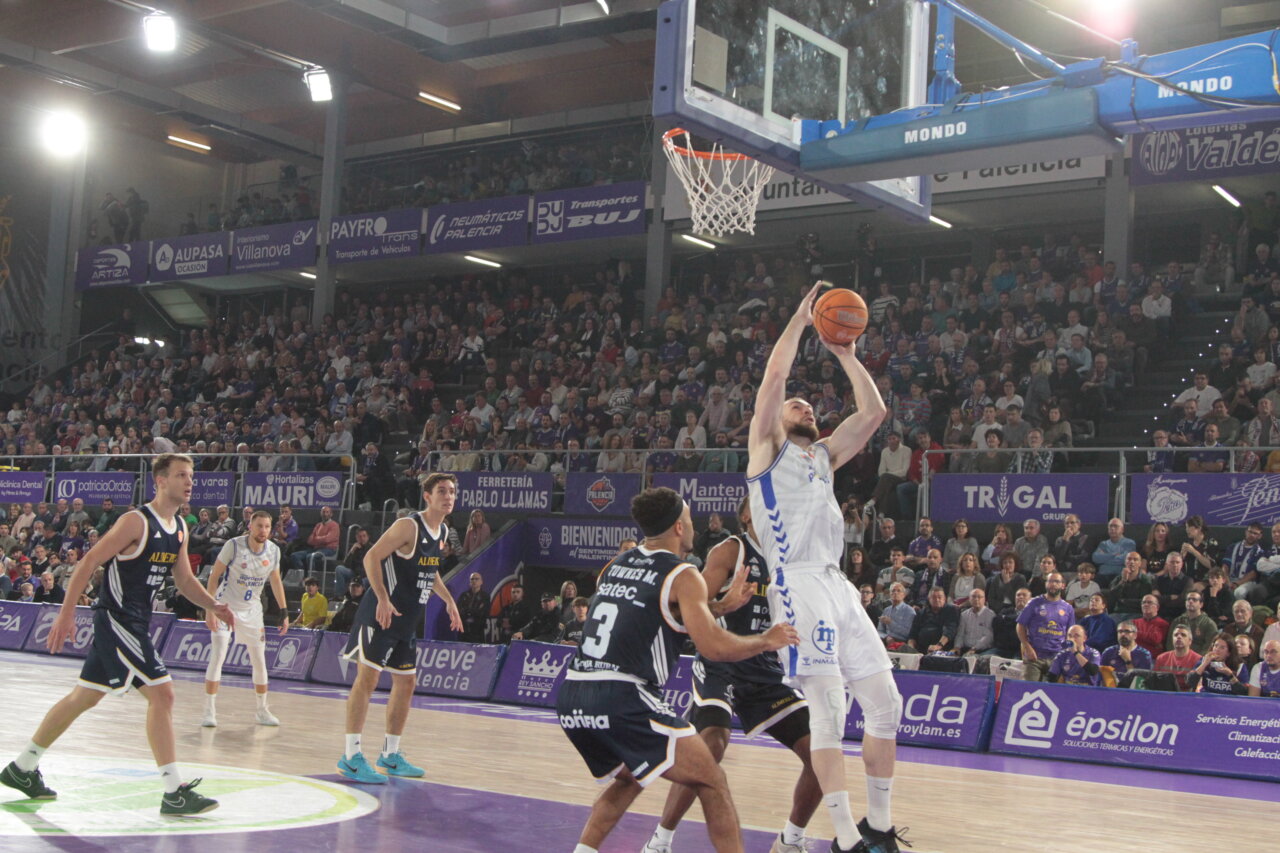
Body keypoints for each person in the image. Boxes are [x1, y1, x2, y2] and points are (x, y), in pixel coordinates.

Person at [746, 282, 906, 853]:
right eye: (798, 405)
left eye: (811, 406)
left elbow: (875, 412)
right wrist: (796, 320)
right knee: (829, 709)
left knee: (887, 702)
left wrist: (847, 354)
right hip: (796, 582)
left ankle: (879, 828)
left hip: (837, 584)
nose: (804, 406)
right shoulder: (767, 448)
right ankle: (844, 840)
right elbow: (773, 382)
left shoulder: (824, 454)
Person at [558, 487, 798, 853]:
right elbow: (713, 646)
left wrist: (719, 605)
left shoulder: (617, 564)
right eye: (687, 515)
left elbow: (658, 609)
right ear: (677, 528)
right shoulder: (684, 574)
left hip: (574, 692)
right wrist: (766, 640)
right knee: (712, 780)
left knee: (631, 777)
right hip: (623, 694)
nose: (693, 521)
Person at [1, 454, 233, 815]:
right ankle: (174, 791)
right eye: (182, 475)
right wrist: (66, 614)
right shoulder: (135, 522)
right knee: (164, 695)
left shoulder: (180, 528)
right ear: (160, 481)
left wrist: (213, 605)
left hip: (137, 622)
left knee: (83, 698)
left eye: (192, 476)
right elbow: (88, 561)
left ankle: (22, 768)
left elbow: (184, 580)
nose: (190, 482)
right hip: (116, 619)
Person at [646, 497, 819, 853]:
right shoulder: (731, 550)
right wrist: (727, 602)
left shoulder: (789, 557)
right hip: (721, 659)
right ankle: (660, 841)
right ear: (746, 517)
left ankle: (791, 840)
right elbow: (692, 606)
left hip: (763, 665)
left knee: (822, 755)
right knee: (711, 746)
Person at [337, 472, 463, 784]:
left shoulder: (442, 529)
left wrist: (448, 600)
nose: (448, 497)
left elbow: (429, 572)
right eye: (442, 491)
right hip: (381, 615)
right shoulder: (408, 525)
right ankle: (351, 756)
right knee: (367, 680)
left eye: (452, 492)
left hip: (407, 620)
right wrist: (380, 598)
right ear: (428, 496)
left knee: (406, 684)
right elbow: (371, 557)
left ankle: (390, 755)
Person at [201, 510, 290, 728]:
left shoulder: (274, 551)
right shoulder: (233, 545)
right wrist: (209, 609)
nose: (263, 531)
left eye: (267, 527)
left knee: (259, 660)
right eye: (259, 526)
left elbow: (276, 581)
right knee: (219, 653)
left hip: (252, 610)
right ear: (250, 526)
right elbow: (214, 576)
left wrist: (284, 611)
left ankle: (262, 710)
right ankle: (209, 710)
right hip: (225, 606)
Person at [1016, 572, 1075, 682]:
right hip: (1034, 656)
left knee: (1052, 695)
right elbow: (1020, 625)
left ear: (1063, 585)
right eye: (1050, 581)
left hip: (1056, 658)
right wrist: (1027, 647)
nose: (1052, 584)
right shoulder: (1034, 603)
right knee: (1028, 692)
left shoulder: (1068, 608)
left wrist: (1066, 655)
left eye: (1056, 582)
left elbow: (1070, 634)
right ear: (1046, 584)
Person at [291, 505, 339, 572]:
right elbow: (309, 541)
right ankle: (302, 575)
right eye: (323, 512)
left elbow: (328, 539)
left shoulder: (334, 525)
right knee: (295, 556)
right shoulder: (318, 525)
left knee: (310, 556)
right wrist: (320, 540)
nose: (325, 514)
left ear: (331, 514)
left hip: (329, 549)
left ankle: (312, 578)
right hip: (316, 549)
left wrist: (316, 539)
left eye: (327, 512)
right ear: (321, 513)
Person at [1153, 626, 1202, 691]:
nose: (1178, 637)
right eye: (1175, 635)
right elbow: (1154, 682)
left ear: (1190, 641)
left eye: (1183, 635)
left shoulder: (1198, 660)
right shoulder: (1161, 658)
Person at [1167, 590, 1216, 655]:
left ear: (1201, 604)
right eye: (1188, 599)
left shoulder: (1209, 624)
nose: (1190, 601)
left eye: (1194, 600)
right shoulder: (1177, 621)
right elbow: (1170, 643)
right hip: (1177, 658)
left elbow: (1209, 647)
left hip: (1199, 660)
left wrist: (1198, 660)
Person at [1092, 518, 1136, 583]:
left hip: (1119, 576)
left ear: (1122, 529)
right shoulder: (1103, 544)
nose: (1112, 528)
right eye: (1110, 526)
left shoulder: (1129, 543)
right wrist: (1113, 554)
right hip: (1102, 575)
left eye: (1115, 526)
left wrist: (1104, 558)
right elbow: (1095, 558)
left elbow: (1125, 560)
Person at [953, 588, 996, 656]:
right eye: (973, 596)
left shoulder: (990, 614)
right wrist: (957, 647)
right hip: (965, 649)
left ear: (984, 599)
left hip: (982, 650)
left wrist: (974, 649)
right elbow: (960, 634)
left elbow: (988, 636)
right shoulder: (964, 614)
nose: (976, 599)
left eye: (979, 597)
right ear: (969, 599)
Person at [457, 572, 490, 643]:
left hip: (478, 631)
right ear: (469, 582)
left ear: (481, 582)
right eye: (472, 579)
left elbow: (483, 613)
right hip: (464, 630)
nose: (474, 581)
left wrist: (468, 611)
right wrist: (473, 611)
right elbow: (459, 610)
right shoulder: (464, 595)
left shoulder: (485, 596)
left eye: (476, 579)